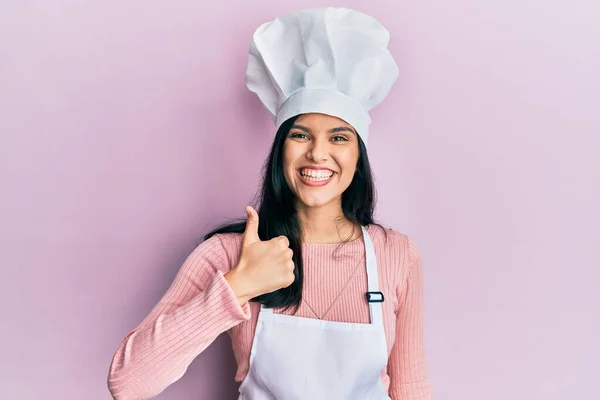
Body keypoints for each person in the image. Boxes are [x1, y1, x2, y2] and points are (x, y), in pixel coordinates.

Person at [107, 7, 432, 400]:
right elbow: (128, 383)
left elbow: (411, 389)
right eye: (300, 135)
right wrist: (239, 284)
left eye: (339, 137)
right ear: (281, 148)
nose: (318, 153)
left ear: (358, 156)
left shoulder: (395, 255)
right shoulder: (230, 254)